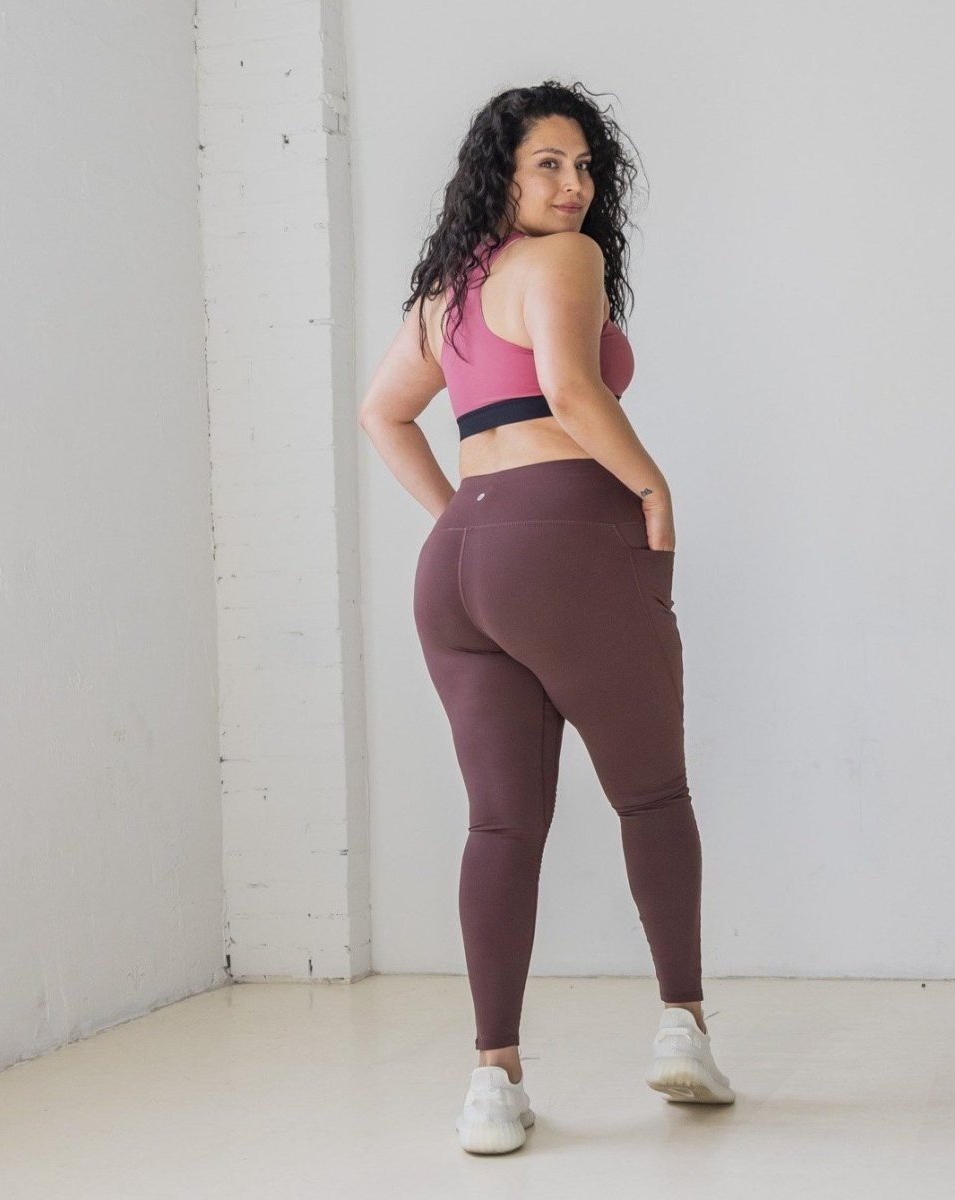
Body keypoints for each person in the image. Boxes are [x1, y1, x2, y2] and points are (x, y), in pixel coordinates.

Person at [359, 80, 734, 1154]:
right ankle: (682, 1029)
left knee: (500, 824)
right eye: (549, 165)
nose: (575, 188)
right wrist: (653, 487)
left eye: (586, 167)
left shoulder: (447, 291)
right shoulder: (568, 261)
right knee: (651, 793)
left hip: (457, 569)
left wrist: (463, 517)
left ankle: (494, 1081)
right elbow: (573, 392)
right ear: (505, 175)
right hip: (568, 545)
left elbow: (382, 412)